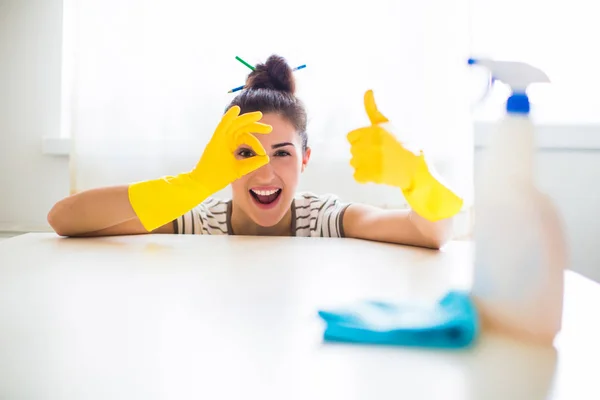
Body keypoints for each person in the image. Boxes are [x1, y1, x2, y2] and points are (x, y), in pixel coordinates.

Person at [47, 55, 462, 249]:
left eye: (281, 153)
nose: (265, 174)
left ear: (305, 159)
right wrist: (192, 184)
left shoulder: (326, 219)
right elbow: (64, 220)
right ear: (221, 158)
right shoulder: (199, 221)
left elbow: (433, 232)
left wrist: (415, 175)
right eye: (246, 154)